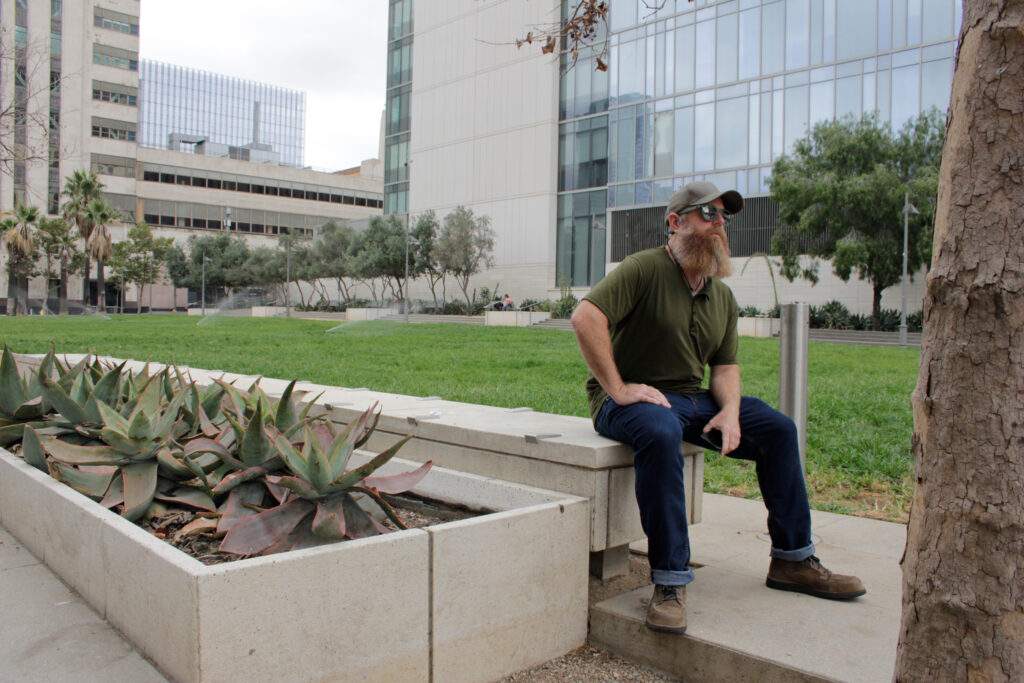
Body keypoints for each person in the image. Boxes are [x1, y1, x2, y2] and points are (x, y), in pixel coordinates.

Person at [570, 181, 865, 635]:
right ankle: (670, 581)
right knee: (661, 431)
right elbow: (586, 317)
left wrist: (729, 410)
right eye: (708, 213)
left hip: (691, 399)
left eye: (724, 217)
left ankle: (792, 560)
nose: (719, 224)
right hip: (628, 402)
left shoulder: (721, 296)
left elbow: (725, 368)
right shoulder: (643, 269)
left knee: (778, 430)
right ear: (675, 222)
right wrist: (619, 388)